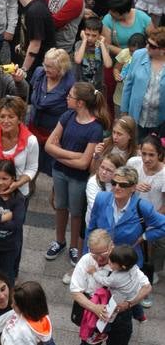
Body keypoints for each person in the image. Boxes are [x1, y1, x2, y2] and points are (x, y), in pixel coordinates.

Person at [58, 217, 163, 345]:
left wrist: (130, 303)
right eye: (94, 253)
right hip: (93, 312)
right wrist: (95, 308)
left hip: (120, 314)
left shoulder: (123, 260)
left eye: (103, 253)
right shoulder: (85, 260)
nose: (98, 258)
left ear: (111, 246)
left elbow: (146, 287)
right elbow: (75, 291)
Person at [45, 82, 110, 267]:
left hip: (77, 179)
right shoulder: (67, 116)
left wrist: (60, 153)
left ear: (80, 103)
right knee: (60, 207)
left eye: (70, 96)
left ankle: (74, 245)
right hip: (59, 172)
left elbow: (84, 165)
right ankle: (59, 241)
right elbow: (49, 145)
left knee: (75, 212)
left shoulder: (95, 128)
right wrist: (75, 155)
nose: (67, 98)